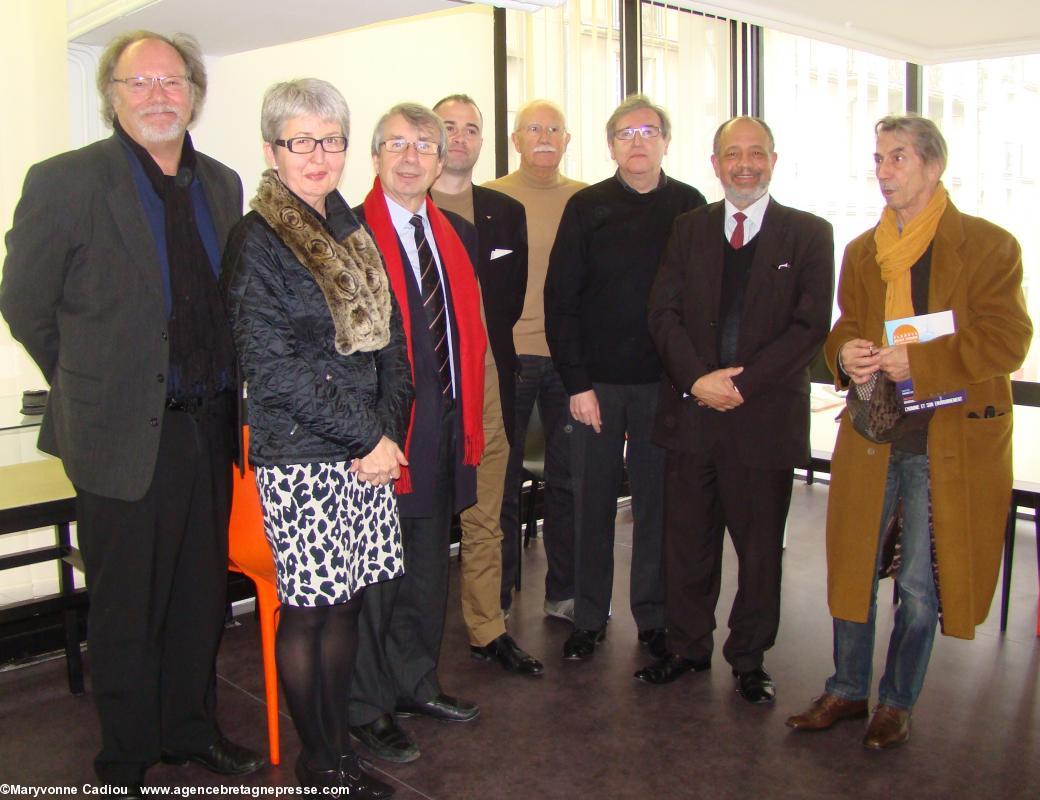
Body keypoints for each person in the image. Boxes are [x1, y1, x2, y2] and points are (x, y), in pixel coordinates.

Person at [0, 31, 262, 793]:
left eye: (171, 81)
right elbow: (23, 303)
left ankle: (191, 728)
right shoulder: (66, 181)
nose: (157, 96)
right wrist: (87, 382)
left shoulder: (221, 183)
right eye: (138, 82)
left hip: (207, 425)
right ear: (112, 95)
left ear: (194, 92)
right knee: (123, 606)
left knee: (198, 596)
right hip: (119, 434)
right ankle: (124, 755)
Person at [786, 114, 1032, 748]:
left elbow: (1009, 340)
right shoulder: (863, 251)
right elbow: (844, 327)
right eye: (878, 159)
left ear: (933, 165)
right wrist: (851, 355)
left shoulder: (988, 245)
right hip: (874, 431)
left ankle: (895, 702)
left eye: (897, 158)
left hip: (948, 439)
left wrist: (918, 360)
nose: (884, 171)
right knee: (853, 565)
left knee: (922, 582)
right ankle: (845, 689)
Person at [222, 79, 409, 796]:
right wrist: (366, 437)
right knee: (311, 611)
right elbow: (271, 369)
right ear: (273, 150)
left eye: (331, 139)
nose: (319, 155)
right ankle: (319, 763)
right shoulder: (258, 240)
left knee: (348, 604)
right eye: (302, 141)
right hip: (303, 455)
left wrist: (387, 430)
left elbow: (390, 346)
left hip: (366, 454)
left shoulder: (351, 228)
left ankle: (339, 749)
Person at [636, 116, 834, 705]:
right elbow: (662, 314)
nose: (743, 164)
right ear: (715, 163)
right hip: (693, 413)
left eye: (755, 153)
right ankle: (688, 648)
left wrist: (739, 386)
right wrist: (698, 379)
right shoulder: (688, 229)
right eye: (732, 154)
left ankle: (749, 659)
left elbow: (809, 327)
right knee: (687, 543)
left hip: (763, 420)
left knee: (759, 550)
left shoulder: (809, 233)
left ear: (774, 159)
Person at [544, 95, 706, 661]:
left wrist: (690, 379)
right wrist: (576, 384)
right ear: (610, 144)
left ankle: (654, 617)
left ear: (666, 140)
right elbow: (559, 299)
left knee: (658, 506)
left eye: (649, 131)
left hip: (665, 386)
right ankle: (588, 617)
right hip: (598, 387)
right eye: (625, 132)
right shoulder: (587, 207)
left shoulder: (690, 205)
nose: (638, 141)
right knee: (591, 503)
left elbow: (699, 301)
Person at [348, 103, 486, 764]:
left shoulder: (448, 231)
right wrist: (367, 434)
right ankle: (367, 705)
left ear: (440, 160)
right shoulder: (349, 233)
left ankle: (414, 682)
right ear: (374, 156)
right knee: (376, 578)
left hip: (444, 421)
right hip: (382, 432)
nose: (411, 157)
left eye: (423, 145)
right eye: (396, 144)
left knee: (429, 565)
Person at [431, 94, 543, 676]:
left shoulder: (504, 211)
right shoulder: (405, 207)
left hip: (491, 375)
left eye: (471, 129)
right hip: (425, 386)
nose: (459, 137)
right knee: (420, 511)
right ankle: (412, 635)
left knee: (488, 505)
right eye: (447, 127)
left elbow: (510, 297)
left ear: (481, 141)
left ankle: (486, 627)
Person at [485, 99, 585, 621]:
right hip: (510, 359)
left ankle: (565, 594)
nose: (544, 135)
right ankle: (494, 600)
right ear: (516, 139)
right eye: (533, 128)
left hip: (570, 364)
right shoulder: (492, 197)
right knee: (499, 483)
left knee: (570, 480)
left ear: (567, 139)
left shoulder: (588, 200)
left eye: (555, 127)